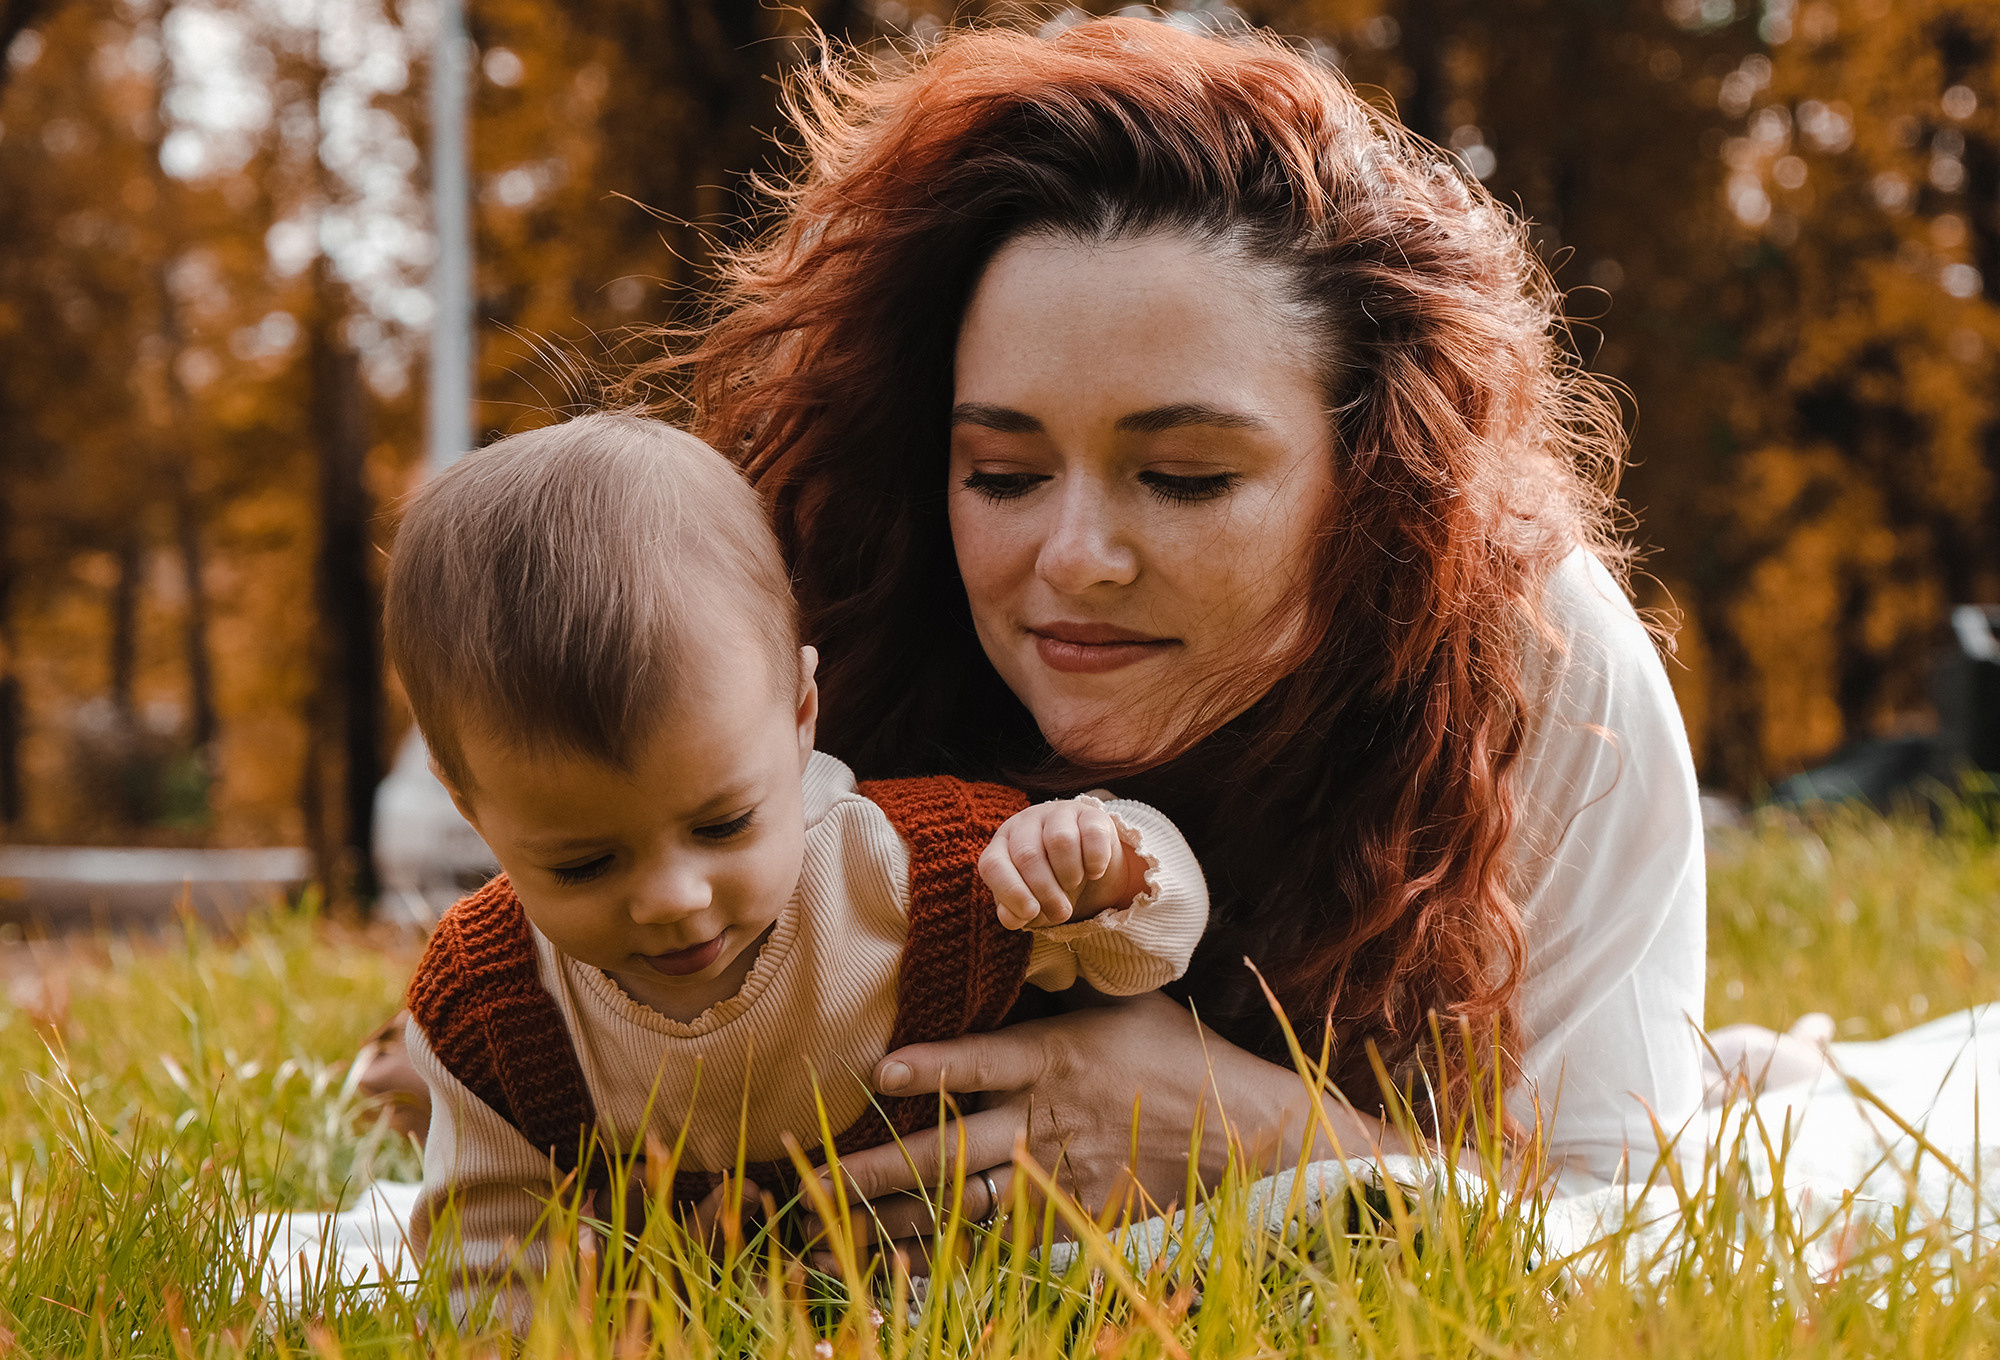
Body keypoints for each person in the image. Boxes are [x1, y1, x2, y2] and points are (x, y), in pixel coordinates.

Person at [629, 14, 1709, 1244]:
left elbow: (1621, 1219)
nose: (1073, 557)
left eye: (1185, 477)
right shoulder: (832, 592)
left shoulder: (1533, 657)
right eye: (999, 473)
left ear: (1377, 475)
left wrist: (1250, 1128)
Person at [381, 413, 1210, 1291]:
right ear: (469, 804)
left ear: (801, 714)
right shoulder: (493, 1003)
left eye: (722, 825)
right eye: (584, 864)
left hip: (965, 1300)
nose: (672, 898)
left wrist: (1103, 865)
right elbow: (488, 1256)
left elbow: (1147, 953)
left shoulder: (909, 872)